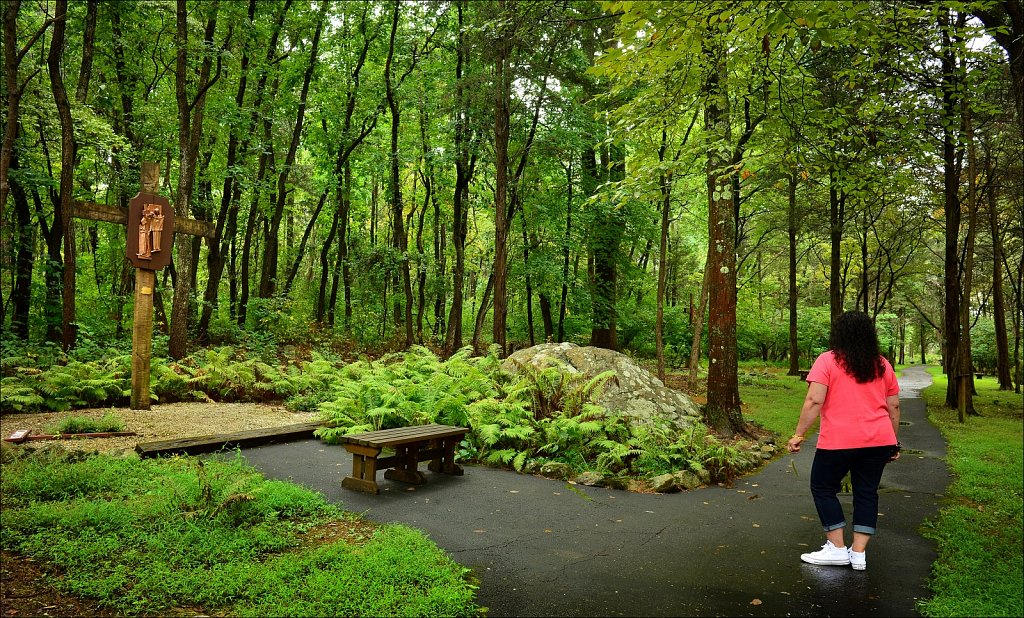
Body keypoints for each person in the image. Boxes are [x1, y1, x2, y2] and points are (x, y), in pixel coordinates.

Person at [786, 310, 901, 571]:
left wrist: (799, 434)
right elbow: (893, 406)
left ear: (839, 333)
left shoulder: (827, 361)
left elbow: (814, 400)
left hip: (838, 441)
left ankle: (837, 549)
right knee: (866, 492)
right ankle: (858, 554)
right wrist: (893, 442)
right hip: (878, 440)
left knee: (823, 487)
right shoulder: (882, 364)